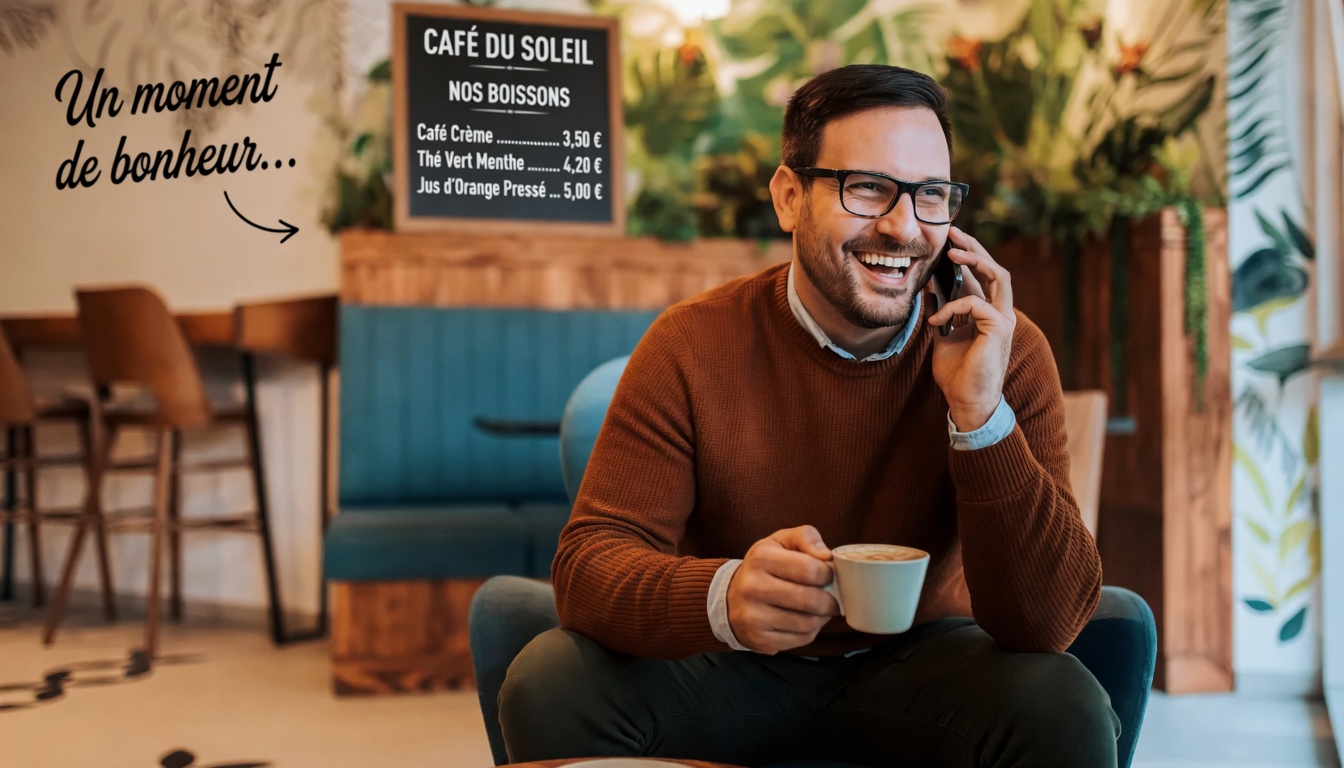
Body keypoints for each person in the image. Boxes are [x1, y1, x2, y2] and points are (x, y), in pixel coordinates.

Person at [499, 64, 1118, 767]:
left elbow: (1047, 623)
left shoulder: (1002, 348)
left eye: (930, 195)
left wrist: (978, 412)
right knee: (553, 683)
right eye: (868, 187)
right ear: (790, 197)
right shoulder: (690, 343)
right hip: (729, 666)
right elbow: (590, 562)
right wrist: (724, 596)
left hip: (923, 666)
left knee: (1061, 704)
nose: (903, 227)